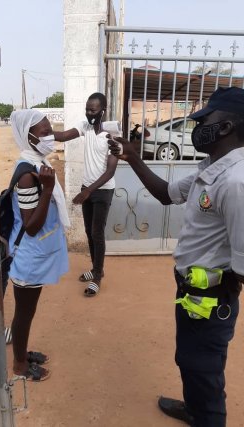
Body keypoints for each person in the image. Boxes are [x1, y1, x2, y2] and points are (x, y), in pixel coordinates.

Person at [109, 86, 244, 427]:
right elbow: (166, 194)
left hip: (211, 299)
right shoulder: (210, 168)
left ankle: (206, 415)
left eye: (203, 121)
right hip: (191, 290)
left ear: (226, 127)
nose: (196, 127)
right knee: (190, 360)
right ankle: (194, 408)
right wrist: (132, 156)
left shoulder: (236, 182)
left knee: (205, 369)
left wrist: (216, 289)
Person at [8, 109, 69, 381]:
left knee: (28, 311)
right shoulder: (27, 175)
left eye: (50, 129)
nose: (50, 135)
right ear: (28, 136)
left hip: (37, 255)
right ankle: (19, 365)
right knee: (24, 313)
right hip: (29, 258)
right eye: (44, 132)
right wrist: (47, 189)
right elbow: (30, 226)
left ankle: (23, 353)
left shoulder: (37, 163)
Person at [54, 92, 118, 297]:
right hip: (87, 189)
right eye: (87, 109)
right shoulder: (85, 126)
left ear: (103, 111)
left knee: (97, 233)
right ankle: (95, 268)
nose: (89, 113)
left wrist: (88, 191)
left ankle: (97, 277)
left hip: (103, 190)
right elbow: (63, 136)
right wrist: (43, 131)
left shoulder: (112, 136)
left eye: (93, 110)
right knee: (90, 233)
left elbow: (110, 172)